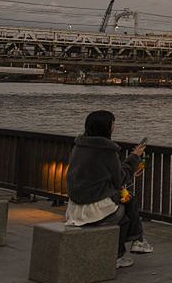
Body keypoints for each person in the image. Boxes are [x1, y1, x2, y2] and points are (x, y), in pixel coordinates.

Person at [65, 110, 152, 269]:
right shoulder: (106, 151)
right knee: (124, 212)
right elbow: (120, 179)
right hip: (93, 210)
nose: (114, 127)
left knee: (125, 208)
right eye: (112, 124)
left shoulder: (79, 146)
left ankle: (135, 243)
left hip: (74, 207)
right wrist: (135, 157)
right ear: (106, 127)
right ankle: (130, 247)